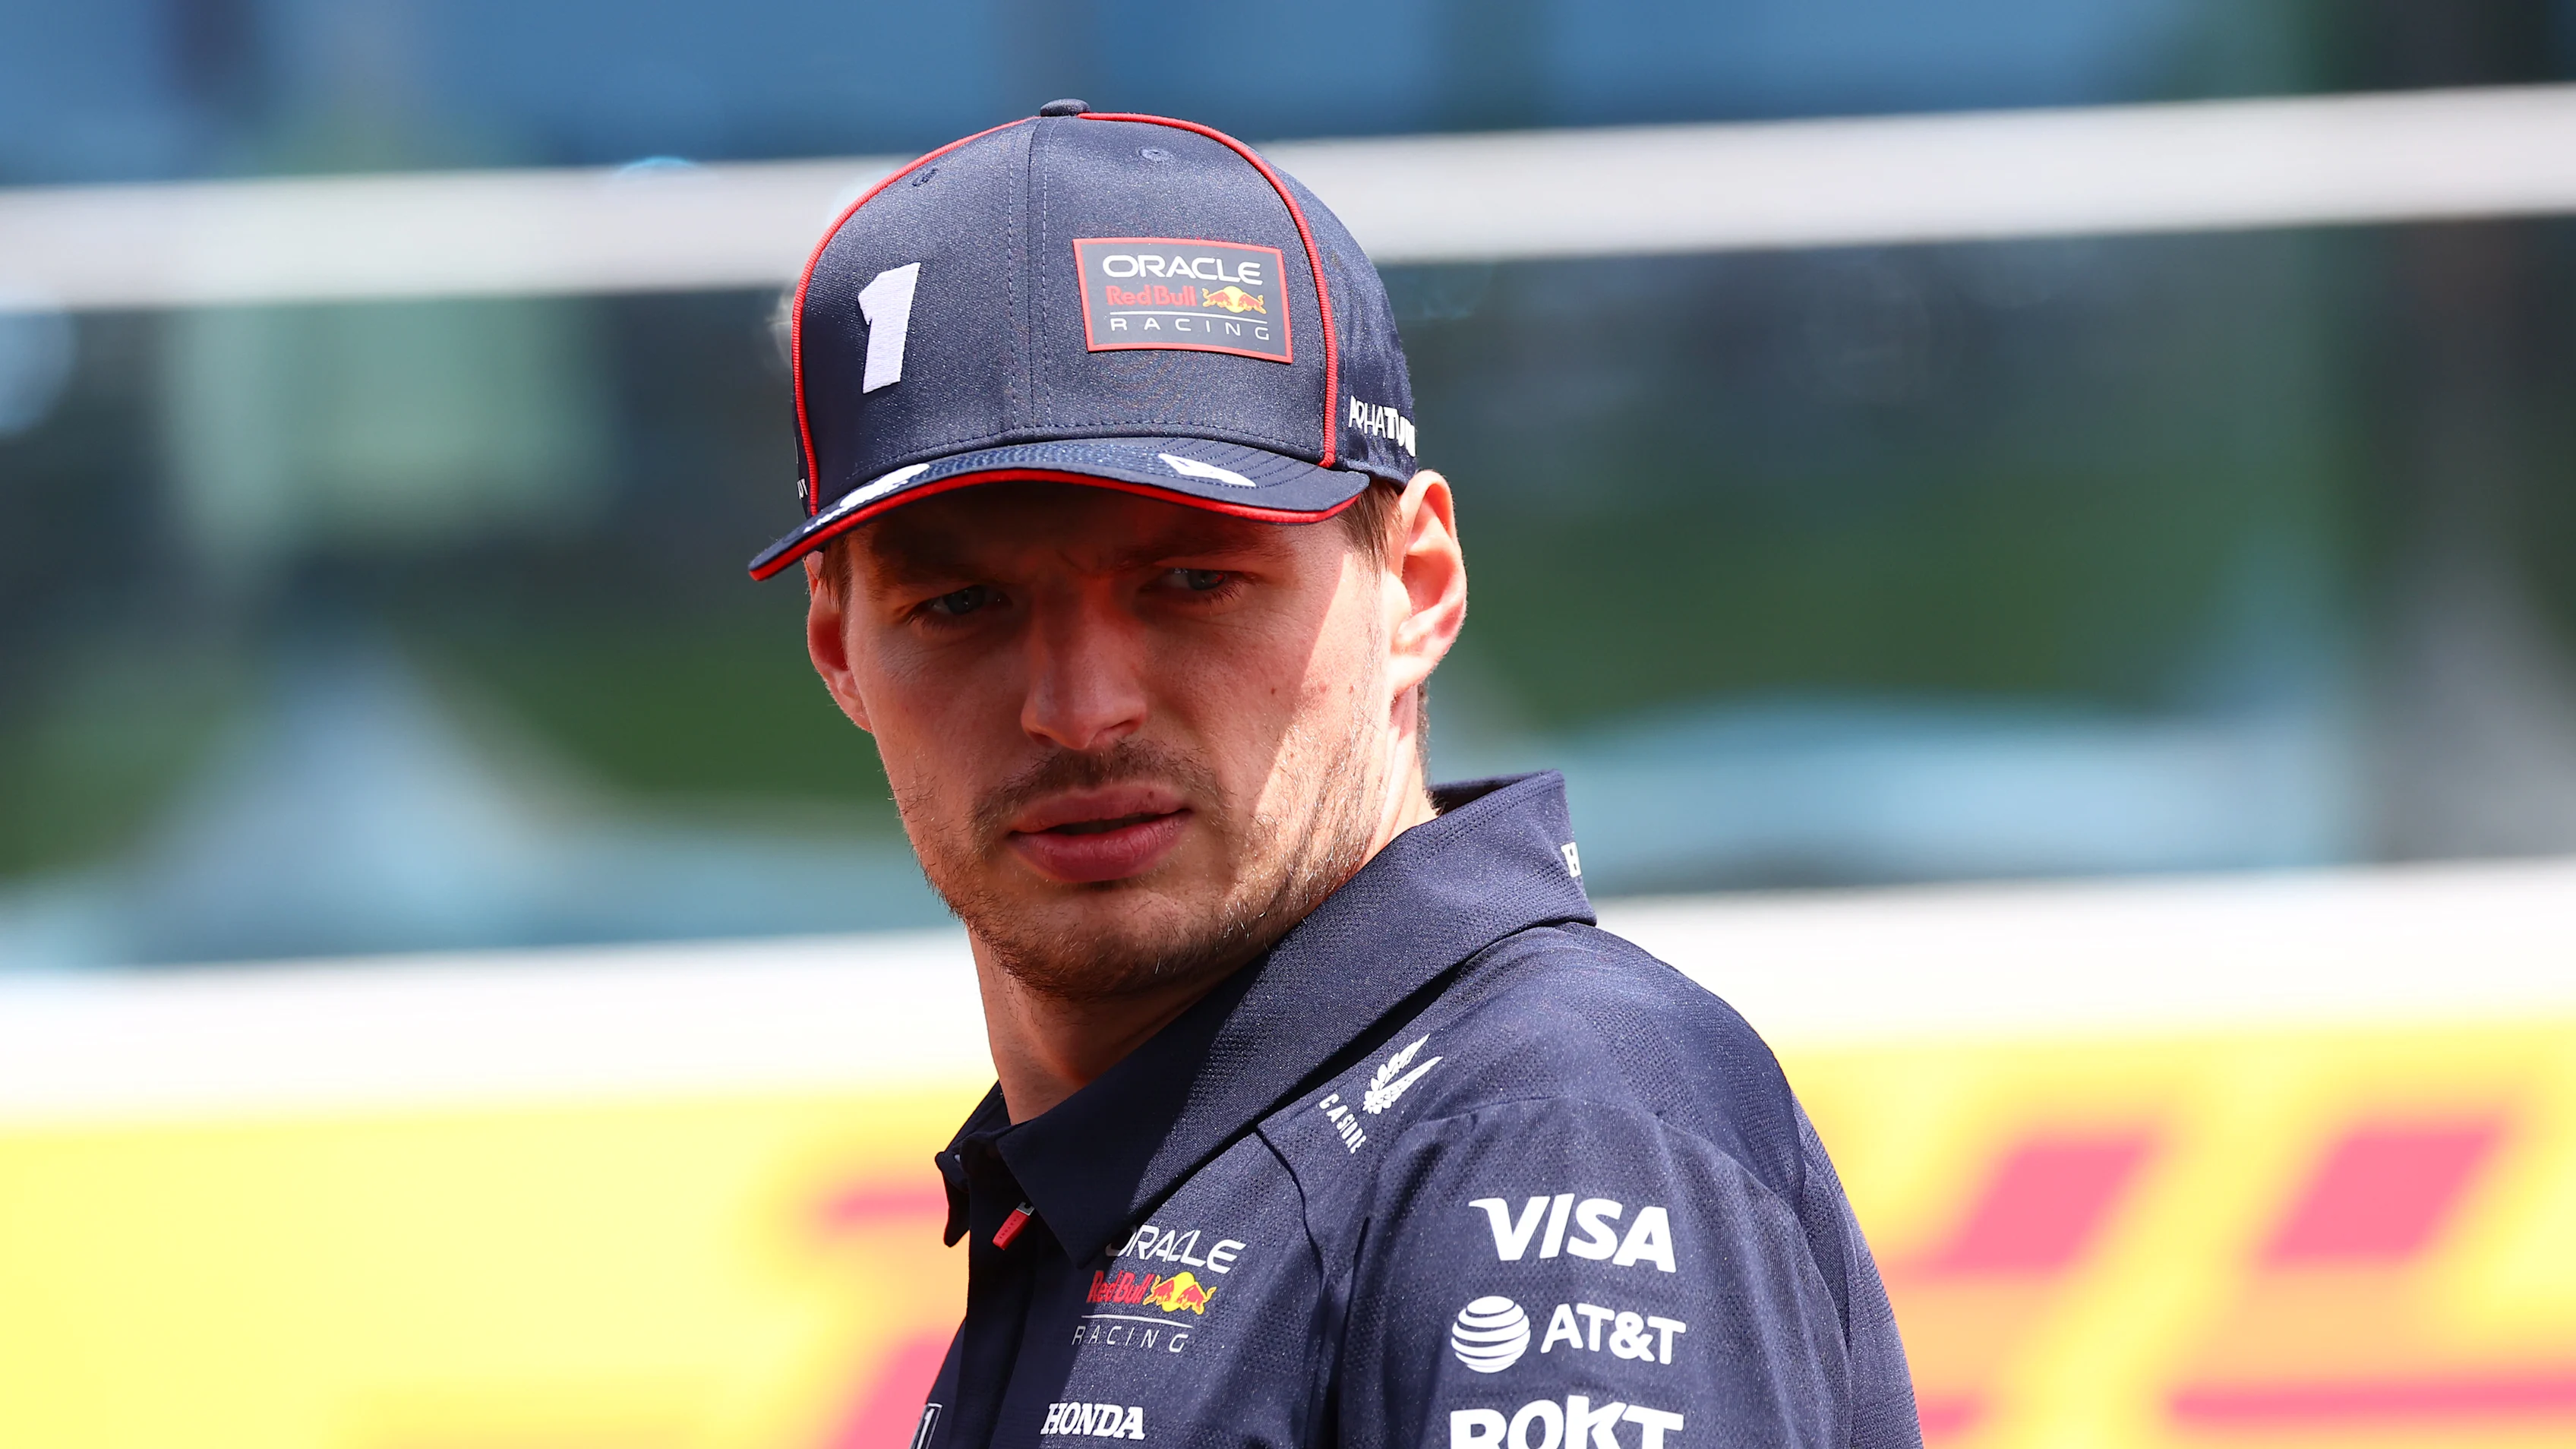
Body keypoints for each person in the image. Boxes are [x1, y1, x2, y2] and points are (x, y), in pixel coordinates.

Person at [754, 100, 1920, 1449]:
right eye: (959, 608)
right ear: (840, 649)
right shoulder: (1137, 1162)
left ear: (1417, 586)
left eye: (1193, 583)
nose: (1077, 710)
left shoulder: (1545, 1122)